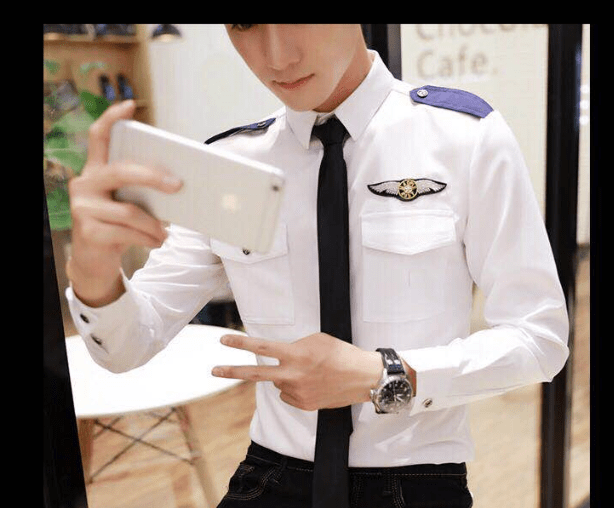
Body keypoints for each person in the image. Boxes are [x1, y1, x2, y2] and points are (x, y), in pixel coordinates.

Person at [66, 24, 569, 508]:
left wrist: (384, 374)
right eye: (244, 23)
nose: (276, 56)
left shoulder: (464, 138)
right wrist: (92, 270)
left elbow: (538, 338)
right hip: (272, 474)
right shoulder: (230, 167)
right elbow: (126, 348)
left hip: (415, 480)